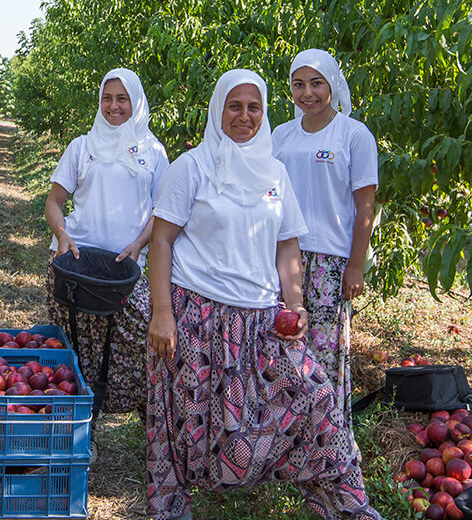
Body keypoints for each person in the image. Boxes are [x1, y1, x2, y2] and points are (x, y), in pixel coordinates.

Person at [143, 69, 381, 520]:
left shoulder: (274, 171)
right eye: (235, 106)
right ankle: (172, 507)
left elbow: (287, 244)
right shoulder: (192, 167)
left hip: (261, 319)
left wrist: (295, 304)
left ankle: (346, 508)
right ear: (218, 110)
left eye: (254, 107)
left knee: (317, 398)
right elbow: (162, 241)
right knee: (186, 426)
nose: (245, 116)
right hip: (197, 313)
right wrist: (162, 313)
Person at [44, 68, 169, 415]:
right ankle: (81, 428)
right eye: (107, 98)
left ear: (137, 102)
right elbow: (54, 201)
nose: (114, 107)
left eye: (122, 98)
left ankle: (147, 420)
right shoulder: (82, 147)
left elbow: (164, 210)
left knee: (138, 345)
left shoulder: (153, 152)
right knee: (76, 351)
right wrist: (62, 236)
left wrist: (140, 243)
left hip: (127, 269)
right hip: (78, 263)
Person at [271, 49, 378, 421]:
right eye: (298, 85)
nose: (307, 94)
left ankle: (325, 431)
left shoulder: (354, 135)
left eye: (316, 83)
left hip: (329, 261)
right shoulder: (280, 135)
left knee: (323, 349)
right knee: (282, 344)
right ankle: (283, 428)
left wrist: (355, 266)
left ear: (332, 83)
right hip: (283, 255)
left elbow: (365, 206)